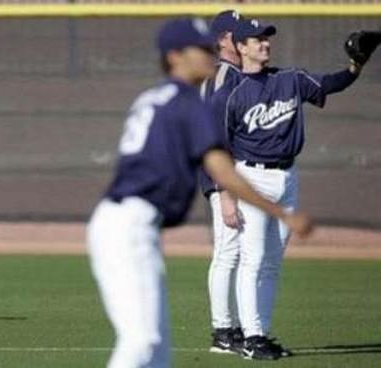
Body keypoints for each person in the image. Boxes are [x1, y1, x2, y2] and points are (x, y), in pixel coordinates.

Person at [86, 18, 313, 368]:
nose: (211, 53)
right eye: (200, 48)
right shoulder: (189, 104)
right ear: (175, 56)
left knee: (157, 348)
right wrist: (281, 213)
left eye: (211, 46)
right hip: (128, 224)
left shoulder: (155, 97)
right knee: (142, 340)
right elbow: (223, 171)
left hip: (129, 222)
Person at [210, 18, 362, 360]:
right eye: (257, 39)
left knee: (272, 262)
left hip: (286, 178)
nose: (265, 43)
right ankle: (250, 338)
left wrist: (354, 67)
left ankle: (260, 333)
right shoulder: (229, 94)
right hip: (249, 178)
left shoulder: (290, 79)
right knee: (252, 259)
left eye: (267, 38)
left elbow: (331, 84)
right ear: (241, 47)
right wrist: (225, 195)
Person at [198, 9, 247, 355]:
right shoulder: (223, 75)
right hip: (223, 176)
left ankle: (241, 328)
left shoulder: (234, 74)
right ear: (223, 41)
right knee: (228, 252)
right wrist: (224, 188)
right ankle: (223, 331)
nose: (244, 38)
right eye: (236, 34)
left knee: (243, 253)